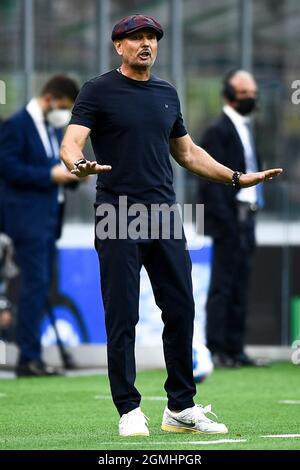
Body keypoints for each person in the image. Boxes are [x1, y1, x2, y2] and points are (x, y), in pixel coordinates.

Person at [60, 15, 282, 437]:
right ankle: (128, 409)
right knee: (122, 315)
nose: (146, 44)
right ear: (118, 46)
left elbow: (189, 153)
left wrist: (237, 177)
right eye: (136, 38)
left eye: (151, 38)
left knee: (181, 310)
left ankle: (181, 407)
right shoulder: (97, 90)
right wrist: (78, 165)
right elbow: (70, 142)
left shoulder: (167, 93)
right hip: (118, 213)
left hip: (164, 215)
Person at [0, 75, 80, 377]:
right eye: (64, 106)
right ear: (50, 99)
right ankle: (28, 358)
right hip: (27, 221)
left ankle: (32, 355)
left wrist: (73, 176)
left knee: (40, 286)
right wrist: (50, 176)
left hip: (48, 221)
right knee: (34, 287)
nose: (64, 113)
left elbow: (57, 169)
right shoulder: (17, 125)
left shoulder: (51, 127)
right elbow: (7, 169)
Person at [199, 69, 265, 368]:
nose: (251, 98)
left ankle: (236, 348)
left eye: (253, 93)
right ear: (229, 94)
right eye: (244, 93)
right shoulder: (218, 130)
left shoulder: (246, 128)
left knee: (241, 283)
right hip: (228, 219)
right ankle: (217, 348)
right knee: (223, 285)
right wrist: (225, 222)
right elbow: (208, 181)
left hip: (247, 217)